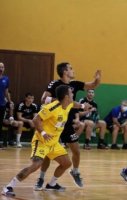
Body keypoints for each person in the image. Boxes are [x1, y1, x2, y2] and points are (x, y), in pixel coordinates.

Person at [1, 85, 91, 197]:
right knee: (36, 164)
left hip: (53, 142)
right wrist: (43, 133)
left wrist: (83, 105)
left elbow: (75, 104)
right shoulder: (51, 108)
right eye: (71, 93)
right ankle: (8, 187)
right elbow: (36, 119)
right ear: (66, 96)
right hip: (42, 140)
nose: (73, 95)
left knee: (67, 163)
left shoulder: (68, 104)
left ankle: (52, 184)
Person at [34, 62, 101, 190]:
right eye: (71, 68)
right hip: (53, 123)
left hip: (67, 122)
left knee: (76, 150)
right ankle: (41, 178)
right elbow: (44, 99)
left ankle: (74, 172)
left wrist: (97, 79)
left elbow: (92, 85)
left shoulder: (75, 84)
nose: (73, 70)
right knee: (48, 154)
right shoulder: (55, 84)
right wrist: (63, 101)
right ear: (65, 71)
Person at [0, 62, 12, 148]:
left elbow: (6, 92)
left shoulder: (6, 79)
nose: (1, 69)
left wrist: (9, 101)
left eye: (2, 67)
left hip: (2, 104)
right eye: (0, 67)